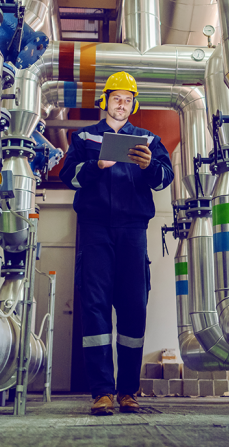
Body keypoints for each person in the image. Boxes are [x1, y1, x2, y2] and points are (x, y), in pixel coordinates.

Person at [60, 71, 174, 415]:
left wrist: (150, 166)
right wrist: (96, 165)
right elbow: (70, 177)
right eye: (115, 99)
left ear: (133, 104)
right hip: (95, 229)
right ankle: (101, 392)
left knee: (133, 307)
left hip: (133, 231)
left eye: (127, 100)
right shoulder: (84, 138)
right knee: (94, 307)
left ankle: (127, 391)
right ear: (105, 101)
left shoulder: (149, 140)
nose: (121, 105)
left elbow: (164, 178)